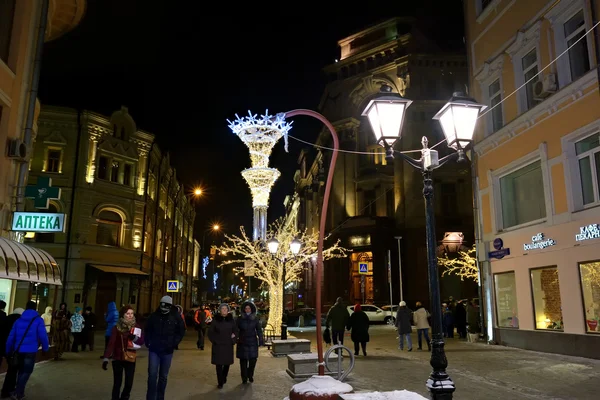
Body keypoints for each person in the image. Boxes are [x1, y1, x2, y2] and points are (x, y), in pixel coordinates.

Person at [5, 301, 49, 400]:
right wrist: (45, 348)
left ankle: (20, 393)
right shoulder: (38, 320)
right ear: (35, 308)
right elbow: (43, 336)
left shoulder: (18, 320)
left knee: (21, 371)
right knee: (26, 372)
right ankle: (18, 393)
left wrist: (8, 350)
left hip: (18, 350)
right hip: (31, 351)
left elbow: (11, 337)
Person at [144, 295, 185, 400]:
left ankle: (160, 397)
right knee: (152, 375)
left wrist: (174, 343)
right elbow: (147, 330)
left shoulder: (175, 316)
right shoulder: (154, 316)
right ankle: (150, 397)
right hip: (154, 350)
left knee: (163, 376)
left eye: (166, 305)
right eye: (162, 305)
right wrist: (148, 342)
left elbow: (181, 331)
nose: (163, 308)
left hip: (167, 351)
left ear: (170, 306)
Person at [102, 305, 144, 400]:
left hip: (130, 357)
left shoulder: (136, 326)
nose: (130, 316)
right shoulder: (116, 327)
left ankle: (125, 397)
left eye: (132, 313)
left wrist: (135, 338)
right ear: (123, 315)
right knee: (117, 383)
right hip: (117, 358)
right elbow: (111, 343)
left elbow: (141, 341)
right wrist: (106, 358)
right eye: (127, 313)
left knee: (129, 383)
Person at [208, 303, 238, 389]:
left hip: (228, 345)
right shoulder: (216, 320)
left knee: (227, 364)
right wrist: (215, 341)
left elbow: (235, 331)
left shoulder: (231, 320)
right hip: (218, 345)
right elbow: (210, 332)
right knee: (219, 364)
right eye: (222, 309)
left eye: (226, 309)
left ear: (228, 310)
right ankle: (220, 381)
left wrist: (233, 339)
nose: (224, 310)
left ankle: (224, 376)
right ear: (220, 310)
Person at [236, 300, 264, 384]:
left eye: (249, 308)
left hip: (252, 342)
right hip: (242, 342)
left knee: (253, 361)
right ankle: (244, 377)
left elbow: (259, 330)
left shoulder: (255, 319)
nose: (247, 310)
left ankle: (250, 375)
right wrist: (235, 337)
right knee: (243, 361)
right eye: (246, 308)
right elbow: (236, 329)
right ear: (243, 309)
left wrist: (261, 340)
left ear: (251, 309)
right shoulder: (240, 319)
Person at [0, 308, 23, 398]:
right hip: (13, 349)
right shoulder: (19, 322)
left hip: (3, 347)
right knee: (13, 370)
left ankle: (6, 391)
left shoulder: (6, 319)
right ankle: (8, 390)